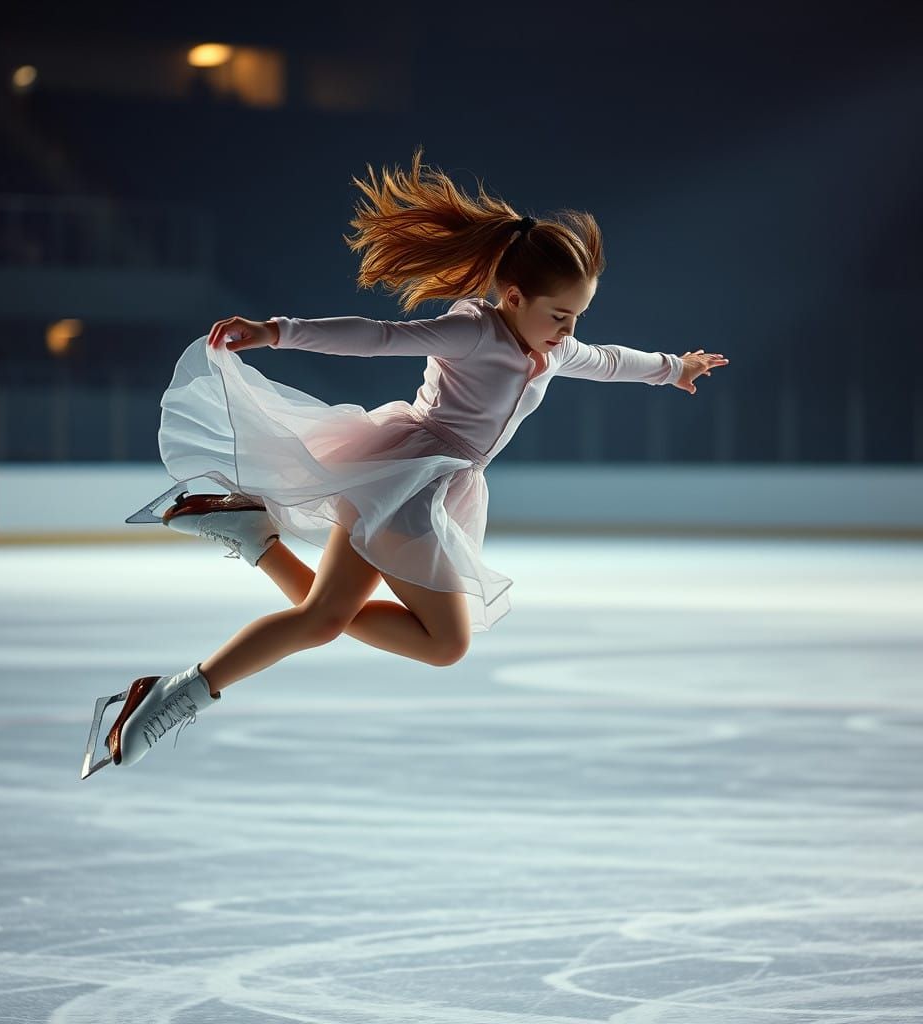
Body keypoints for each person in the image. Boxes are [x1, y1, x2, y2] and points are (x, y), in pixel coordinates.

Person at [80, 146, 729, 778]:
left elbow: (612, 359)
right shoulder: (475, 331)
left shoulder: (552, 350)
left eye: (576, 317)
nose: (567, 331)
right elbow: (379, 337)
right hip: (407, 474)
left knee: (337, 621)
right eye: (559, 315)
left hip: (427, 485)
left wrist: (674, 369)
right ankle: (206, 630)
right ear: (512, 296)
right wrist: (277, 330)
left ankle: (204, 632)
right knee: (410, 636)